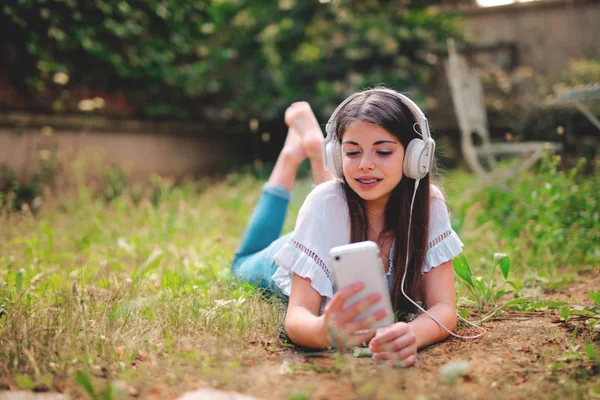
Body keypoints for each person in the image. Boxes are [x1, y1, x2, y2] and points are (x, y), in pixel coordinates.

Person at [232, 88, 463, 367]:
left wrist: (412, 334)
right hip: (297, 252)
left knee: (333, 199)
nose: (365, 164)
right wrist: (322, 330)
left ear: (416, 156)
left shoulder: (428, 205)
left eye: (383, 151)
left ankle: (310, 145)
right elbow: (298, 315)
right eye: (352, 152)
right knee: (239, 265)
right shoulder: (323, 205)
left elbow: (445, 308)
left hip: (329, 228)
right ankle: (291, 156)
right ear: (336, 155)